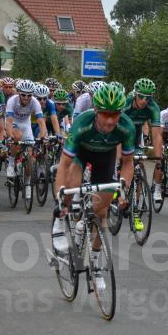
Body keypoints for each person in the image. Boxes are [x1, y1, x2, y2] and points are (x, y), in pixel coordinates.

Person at [51, 84, 135, 291]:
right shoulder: (82, 123)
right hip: (80, 154)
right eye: (105, 114)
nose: (110, 120)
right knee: (71, 185)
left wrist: (123, 188)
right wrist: (60, 194)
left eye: (115, 114)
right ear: (96, 110)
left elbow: (127, 163)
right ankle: (61, 218)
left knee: (101, 214)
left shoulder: (126, 127)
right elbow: (64, 164)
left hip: (105, 158)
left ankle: (96, 266)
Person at [123, 78, 164, 203]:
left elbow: (156, 135)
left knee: (139, 164)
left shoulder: (153, 107)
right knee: (122, 162)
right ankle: (119, 191)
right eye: (141, 96)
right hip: (123, 132)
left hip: (136, 134)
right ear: (135, 93)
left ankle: (136, 202)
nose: (144, 101)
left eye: (148, 98)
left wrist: (158, 160)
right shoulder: (126, 103)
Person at [4, 80, 47, 196]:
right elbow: (9, 121)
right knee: (16, 137)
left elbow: (41, 121)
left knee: (29, 156)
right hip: (13, 122)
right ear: (19, 93)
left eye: (29, 95)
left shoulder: (35, 102)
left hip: (26, 124)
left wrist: (43, 135)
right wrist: (10, 136)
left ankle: (27, 184)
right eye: (23, 95)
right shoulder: (12, 101)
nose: (26, 98)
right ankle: (11, 163)